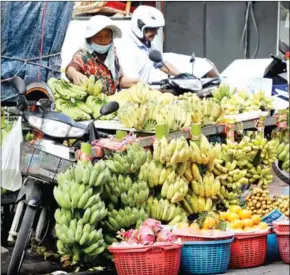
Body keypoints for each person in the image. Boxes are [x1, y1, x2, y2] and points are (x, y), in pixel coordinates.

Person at [66, 15, 138, 95]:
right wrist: (74, 73)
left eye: (107, 36)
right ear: (90, 38)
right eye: (98, 36)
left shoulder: (112, 55)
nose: (103, 39)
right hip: (90, 104)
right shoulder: (83, 55)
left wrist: (137, 82)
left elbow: (118, 80)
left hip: (110, 103)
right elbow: (71, 68)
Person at [116, 5, 181, 84]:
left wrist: (182, 76)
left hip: (142, 91)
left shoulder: (148, 44)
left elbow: (162, 64)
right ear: (139, 26)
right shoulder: (127, 47)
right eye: (152, 29)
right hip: (131, 94)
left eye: (156, 29)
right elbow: (130, 81)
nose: (156, 33)